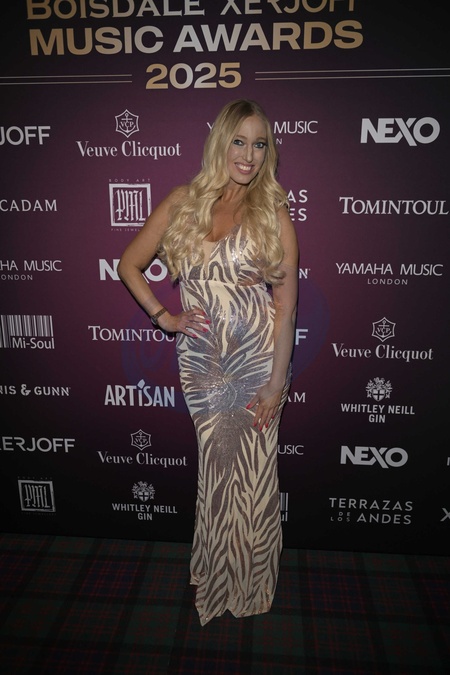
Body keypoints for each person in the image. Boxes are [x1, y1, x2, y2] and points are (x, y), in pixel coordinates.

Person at [118, 99, 298, 625]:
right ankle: (217, 571)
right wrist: (164, 317)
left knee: (254, 473)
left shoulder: (272, 211)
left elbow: (286, 308)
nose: (248, 154)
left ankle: (247, 577)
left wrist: (277, 383)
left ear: (268, 153)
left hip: (257, 362)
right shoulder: (183, 202)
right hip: (203, 364)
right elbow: (129, 264)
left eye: (259, 144)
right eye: (239, 141)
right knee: (218, 470)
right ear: (221, 143)